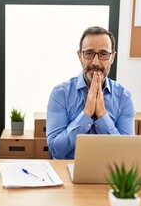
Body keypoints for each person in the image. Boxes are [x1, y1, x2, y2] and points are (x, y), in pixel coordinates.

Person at [46, 26, 135, 160]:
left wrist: (102, 115)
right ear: (79, 55)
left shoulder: (124, 98)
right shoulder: (60, 94)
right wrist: (86, 114)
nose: (95, 62)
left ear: (112, 58)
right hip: (68, 171)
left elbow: (126, 153)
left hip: (108, 173)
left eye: (103, 54)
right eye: (89, 53)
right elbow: (55, 150)